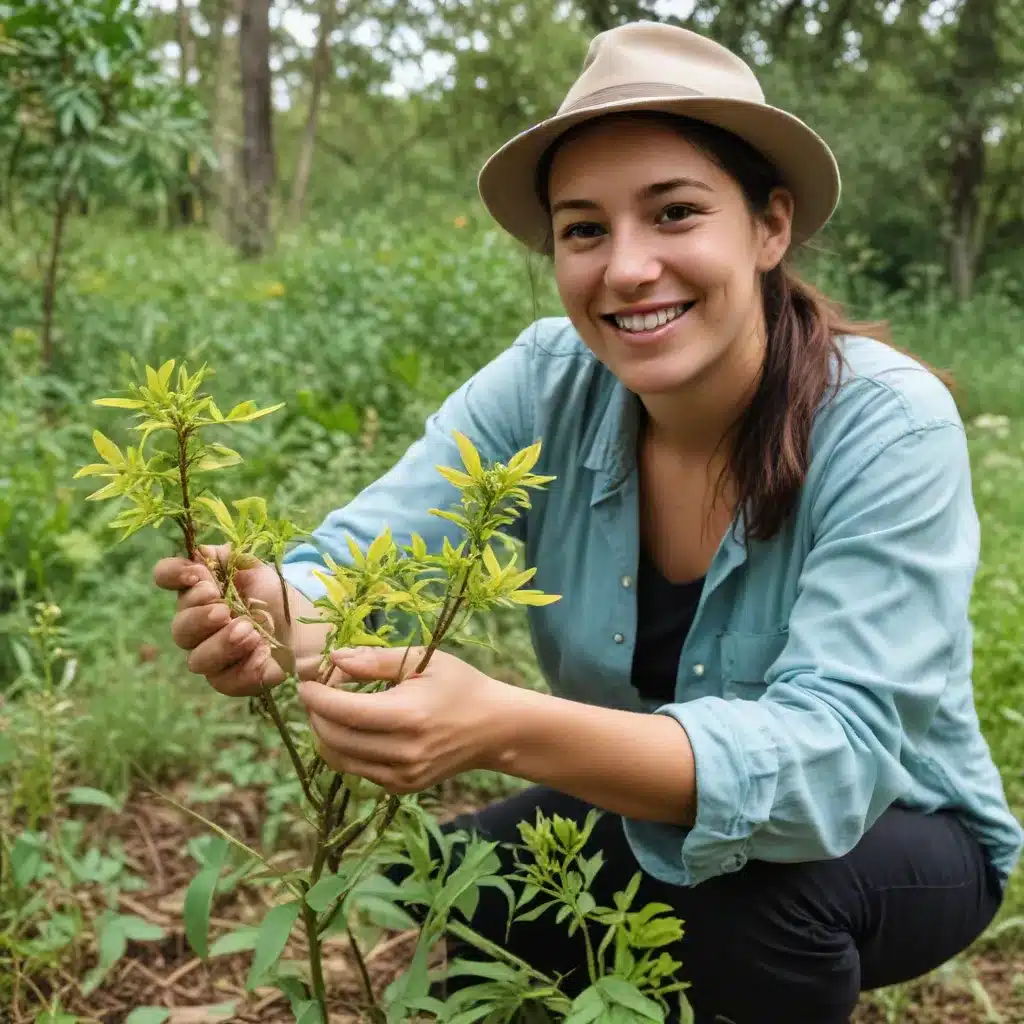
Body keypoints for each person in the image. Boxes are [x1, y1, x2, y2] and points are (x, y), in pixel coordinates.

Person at [154, 21, 1022, 1024]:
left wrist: (506, 728)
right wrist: (277, 608)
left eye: (674, 213)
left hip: (902, 824)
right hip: (647, 791)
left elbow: (833, 763)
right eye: (583, 229)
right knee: (447, 885)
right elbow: (370, 551)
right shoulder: (545, 382)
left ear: (768, 225)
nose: (626, 268)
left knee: (749, 905)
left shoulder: (885, 422)